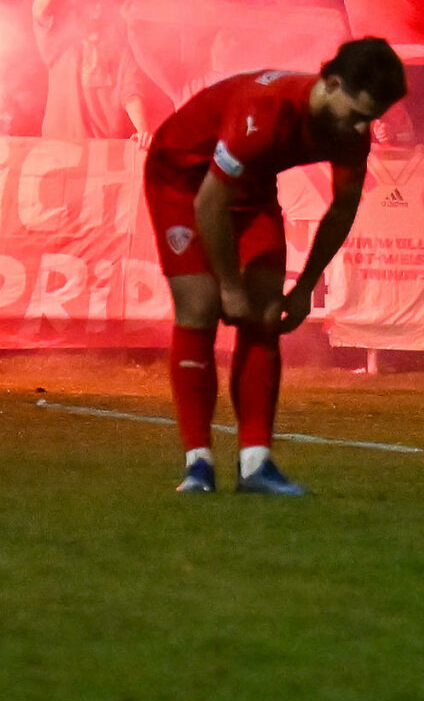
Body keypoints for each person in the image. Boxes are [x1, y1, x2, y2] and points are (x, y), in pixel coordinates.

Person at [142, 40, 407, 496]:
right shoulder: (264, 113)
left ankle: (256, 465)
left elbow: (342, 209)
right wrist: (228, 285)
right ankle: (198, 465)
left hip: (248, 185)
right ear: (333, 83)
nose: (363, 128)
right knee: (201, 307)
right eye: (358, 113)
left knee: (266, 314)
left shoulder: (349, 130)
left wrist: (306, 286)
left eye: (372, 118)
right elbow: (209, 203)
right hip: (182, 181)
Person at [32, 0, 156, 142]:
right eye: (91, 1)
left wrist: (143, 131)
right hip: (57, 149)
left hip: (99, 157)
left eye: (102, 1)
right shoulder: (61, 45)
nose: (97, 7)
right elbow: (40, 11)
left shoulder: (121, 53)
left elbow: (132, 94)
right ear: (79, 7)